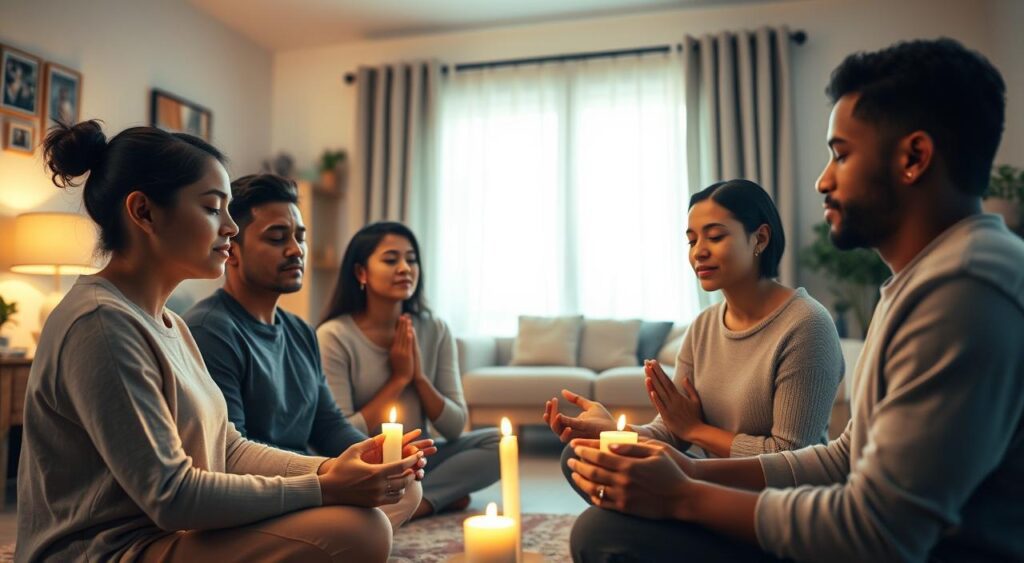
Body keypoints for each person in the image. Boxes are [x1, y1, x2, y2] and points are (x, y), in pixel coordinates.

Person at [567, 38, 1024, 562]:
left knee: (603, 535)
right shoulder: (923, 279)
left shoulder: (964, 289)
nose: (823, 179)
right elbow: (843, 459)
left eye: (841, 154)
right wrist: (687, 469)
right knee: (607, 492)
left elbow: (878, 532)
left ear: (914, 157)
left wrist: (684, 495)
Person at [17, 121, 434, 563]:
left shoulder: (171, 324)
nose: (231, 228)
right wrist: (324, 486)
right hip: (111, 552)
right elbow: (171, 495)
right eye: (214, 208)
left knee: (398, 492)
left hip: (169, 534)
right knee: (361, 530)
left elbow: (228, 448)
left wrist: (334, 468)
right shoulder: (101, 324)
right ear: (143, 212)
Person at [545, 179, 843, 498]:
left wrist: (698, 431)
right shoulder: (703, 326)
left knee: (598, 532)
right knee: (580, 456)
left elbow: (789, 460)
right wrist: (617, 433)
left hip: (775, 505)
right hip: (707, 483)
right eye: (691, 240)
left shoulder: (806, 325)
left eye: (715, 236)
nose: (699, 251)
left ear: (760, 238)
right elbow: (670, 431)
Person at [183, 173, 422, 529]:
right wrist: (328, 477)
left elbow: (328, 425)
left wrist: (379, 455)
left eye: (301, 237)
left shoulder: (299, 330)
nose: (296, 250)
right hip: (258, 497)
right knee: (366, 527)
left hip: (310, 479)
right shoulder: (211, 330)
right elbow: (228, 456)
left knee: (407, 487)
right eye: (278, 238)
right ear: (232, 249)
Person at [317, 221, 501, 519]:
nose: (405, 268)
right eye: (391, 260)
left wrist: (419, 378)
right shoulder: (334, 336)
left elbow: (454, 427)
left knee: (500, 444)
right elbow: (342, 434)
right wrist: (399, 379)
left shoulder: (434, 328)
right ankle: (428, 496)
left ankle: (419, 503)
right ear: (361, 273)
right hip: (366, 466)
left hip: (421, 460)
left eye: (411, 259)